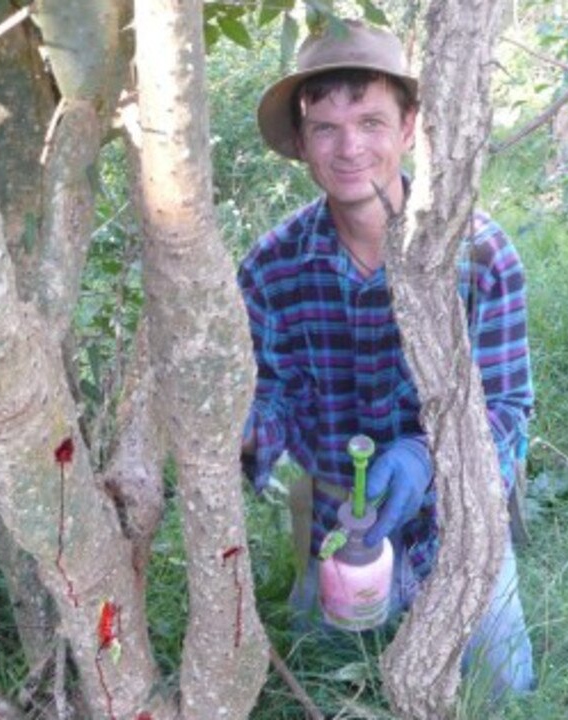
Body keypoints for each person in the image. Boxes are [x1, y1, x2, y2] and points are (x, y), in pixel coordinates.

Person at [237, 20, 536, 698]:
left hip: (462, 517)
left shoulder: (480, 258)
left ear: (408, 129)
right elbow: (272, 393)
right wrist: (249, 433)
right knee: (313, 669)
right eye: (325, 128)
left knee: (503, 690)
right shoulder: (269, 268)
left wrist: (428, 459)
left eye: (371, 122)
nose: (350, 149)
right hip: (336, 518)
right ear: (302, 145)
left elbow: (511, 410)